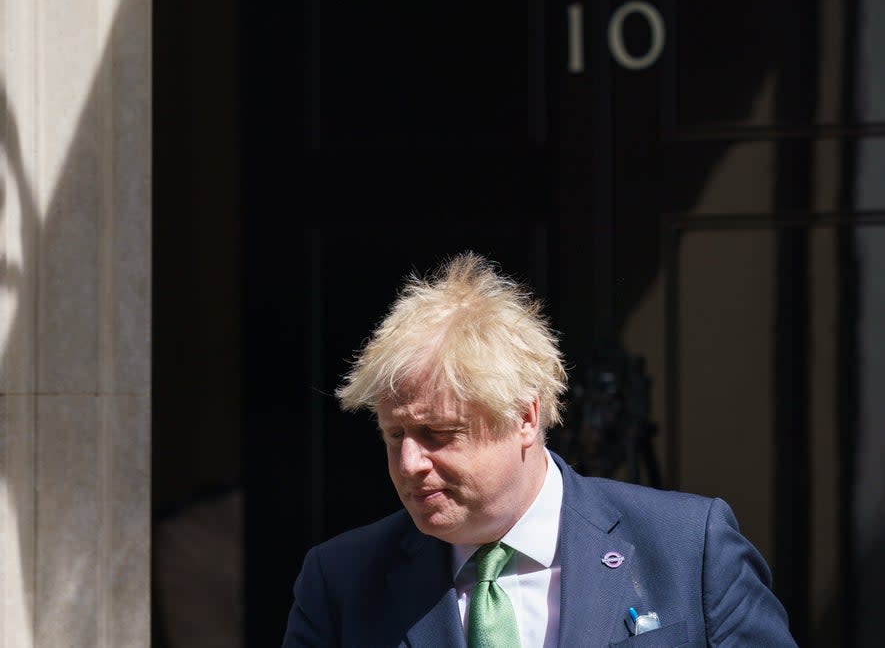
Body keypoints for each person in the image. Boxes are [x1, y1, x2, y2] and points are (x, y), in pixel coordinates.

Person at [283, 253, 796, 647]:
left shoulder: (687, 548)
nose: (410, 464)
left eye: (438, 434)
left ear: (525, 417)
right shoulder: (341, 580)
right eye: (395, 436)